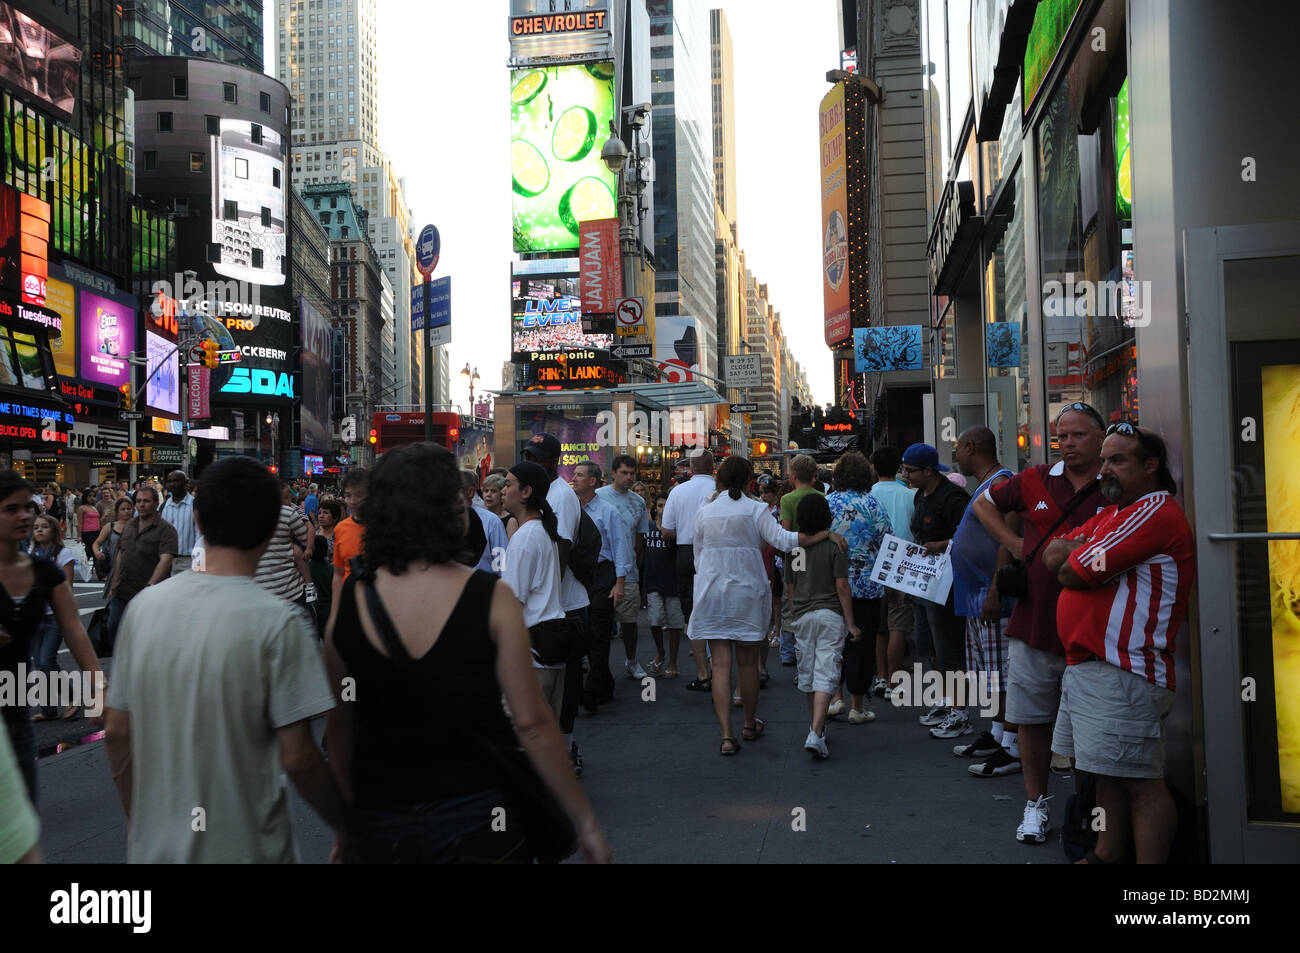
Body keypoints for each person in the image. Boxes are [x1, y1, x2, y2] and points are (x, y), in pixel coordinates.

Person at [321, 447, 609, 864]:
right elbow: (531, 723)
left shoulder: (352, 604)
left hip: (384, 820)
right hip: (478, 816)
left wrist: (346, 828)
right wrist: (586, 824)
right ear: (451, 511)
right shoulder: (491, 599)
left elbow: (340, 730)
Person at [105, 457, 345, 863]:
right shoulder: (278, 623)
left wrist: (136, 818)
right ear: (272, 528)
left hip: (155, 850)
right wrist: (349, 826)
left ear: (197, 519)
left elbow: (116, 731)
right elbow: (300, 757)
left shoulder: (144, 608)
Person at [1044, 425, 1195, 864]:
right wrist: (1078, 548)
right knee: (1104, 775)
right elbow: (1054, 553)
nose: (1105, 469)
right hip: (1093, 670)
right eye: (1105, 460)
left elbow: (1071, 571)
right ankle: (1105, 854)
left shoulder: (1154, 512)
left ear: (1150, 467)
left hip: (1125, 671)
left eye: (1119, 460)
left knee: (1141, 782)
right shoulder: (1116, 513)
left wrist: (1077, 550)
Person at [971, 402, 1108, 845]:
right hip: (1033, 624)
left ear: (1101, 437)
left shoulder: (1116, 486)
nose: (1068, 443)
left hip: (1098, 631)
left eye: (1078, 435)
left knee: (1094, 726)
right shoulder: (1033, 479)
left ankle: (1093, 814)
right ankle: (1036, 803)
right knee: (1031, 720)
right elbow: (984, 505)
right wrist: (1011, 541)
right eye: (1062, 436)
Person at [687, 455, 843, 755]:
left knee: (720, 665)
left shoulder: (704, 512)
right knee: (748, 663)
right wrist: (824, 534)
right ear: (749, 482)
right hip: (746, 591)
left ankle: (726, 735)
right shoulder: (756, 509)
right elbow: (785, 541)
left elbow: (698, 555)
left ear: (719, 479)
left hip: (712, 590)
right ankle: (748, 723)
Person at [0, 471, 104, 806]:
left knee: (24, 814)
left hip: (15, 713)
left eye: (27, 508)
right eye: (10, 509)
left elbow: (74, 629)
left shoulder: (43, 570)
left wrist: (98, 691)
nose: (24, 516)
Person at [948, 427, 1021, 775]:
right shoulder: (986, 484)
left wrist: (995, 588)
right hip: (974, 596)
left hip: (990, 597)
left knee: (1002, 675)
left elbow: (1008, 538)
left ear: (971, 447)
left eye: (958, 448)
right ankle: (996, 733)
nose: (955, 455)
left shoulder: (1001, 483)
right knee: (988, 675)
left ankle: (1011, 745)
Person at [519, 433, 590, 776]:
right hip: (555, 607)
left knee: (561, 688)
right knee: (553, 687)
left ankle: (564, 750)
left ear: (552, 460)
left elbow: (561, 548)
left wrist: (552, 600)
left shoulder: (559, 495)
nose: (532, 462)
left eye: (537, 457)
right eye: (528, 456)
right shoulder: (550, 494)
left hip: (563, 606)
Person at [902, 443, 971, 734]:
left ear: (928, 471)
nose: (905, 476)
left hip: (947, 585)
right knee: (927, 645)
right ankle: (945, 701)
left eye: (910, 471)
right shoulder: (921, 495)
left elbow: (969, 535)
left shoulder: (953, 497)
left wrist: (941, 545)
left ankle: (960, 712)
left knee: (949, 648)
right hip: (923, 584)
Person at [787, 493, 860, 759]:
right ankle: (816, 732)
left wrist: (795, 613)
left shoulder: (795, 550)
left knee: (808, 674)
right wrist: (850, 623)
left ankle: (816, 728)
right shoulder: (835, 547)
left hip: (803, 616)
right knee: (827, 670)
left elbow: (792, 587)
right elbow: (842, 586)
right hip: (830, 614)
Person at [499, 462, 570, 723]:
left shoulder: (526, 536)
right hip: (549, 651)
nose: (502, 490)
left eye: (508, 485)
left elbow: (513, 602)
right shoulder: (540, 531)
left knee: (523, 733)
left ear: (526, 491)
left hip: (532, 656)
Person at [825, 452, 892, 724]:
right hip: (867, 586)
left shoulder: (827, 503)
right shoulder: (873, 504)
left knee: (834, 643)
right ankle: (857, 706)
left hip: (832, 584)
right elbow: (888, 541)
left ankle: (835, 698)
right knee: (861, 645)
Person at [573, 461, 635, 706]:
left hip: (603, 575)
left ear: (592, 481)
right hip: (579, 576)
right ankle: (604, 684)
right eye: (574, 475)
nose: (574, 479)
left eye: (579, 475)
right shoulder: (571, 509)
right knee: (584, 632)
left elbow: (621, 547)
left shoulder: (607, 511)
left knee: (599, 632)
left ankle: (591, 693)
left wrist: (620, 583)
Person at [660, 449, 716, 692]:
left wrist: (685, 528)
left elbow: (666, 530)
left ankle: (704, 672)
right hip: (715, 552)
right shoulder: (720, 491)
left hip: (685, 552)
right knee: (715, 611)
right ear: (713, 467)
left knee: (692, 615)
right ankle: (719, 665)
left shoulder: (679, 491)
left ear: (690, 467)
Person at [104, 485, 179, 656]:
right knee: (113, 629)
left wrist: (149, 587)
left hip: (148, 595)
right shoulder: (129, 525)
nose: (141, 505)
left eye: (146, 501)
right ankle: (121, 667)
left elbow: (166, 560)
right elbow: (121, 554)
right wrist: (114, 584)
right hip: (122, 591)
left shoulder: (166, 529)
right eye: (138, 501)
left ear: (155, 504)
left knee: (145, 638)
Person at [869, 447, 917, 701]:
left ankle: (880, 676)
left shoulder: (868, 496)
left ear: (874, 467)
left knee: (880, 626)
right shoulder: (910, 496)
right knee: (898, 624)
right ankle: (892, 679)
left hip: (874, 566)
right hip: (904, 565)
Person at [595, 454, 649, 675]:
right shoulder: (598, 497)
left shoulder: (639, 502)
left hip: (628, 571)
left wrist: (632, 562)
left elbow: (639, 539)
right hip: (600, 569)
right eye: (624, 473)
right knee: (599, 623)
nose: (628, 477)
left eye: (632, 473)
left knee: (629, 621)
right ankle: (599, 665)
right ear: (613, 473)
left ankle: (632, 660)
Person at [27, 514, 80, 721]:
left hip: (55, 615)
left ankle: (71, 698)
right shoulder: (31, 554)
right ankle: (48, 709)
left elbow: (67, 586)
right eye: (36, 527)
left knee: (47, 661)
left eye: (44, 527)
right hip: (36, 615)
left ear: (54, 530)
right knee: (39, 664)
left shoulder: (63, 554)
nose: (39, 530)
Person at [254, 482, 314, 614]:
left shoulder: (244, 515)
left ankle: (310, 585)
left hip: (260, 594)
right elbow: (307, 536)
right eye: (285, 498)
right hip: (291, 592)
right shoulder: (288, 512)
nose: (288, 501)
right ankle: (310, 586)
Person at [643, 494, 684, 679]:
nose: (662, 509)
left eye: (666, 506)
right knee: (654, 620)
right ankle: (660, 652)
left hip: (673, 581)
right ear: (655, 508)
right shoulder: (649, 528)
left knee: (675, 624)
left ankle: (673, 662)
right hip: (652, 581)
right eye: (660, 505)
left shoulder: (677, 531)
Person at [331, 467, 368, 604]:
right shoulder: (340, 529)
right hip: (349, 602)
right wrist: (335, 614)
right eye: (348, 495)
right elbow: (338, 574)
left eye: (359, 495)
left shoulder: (385, 526)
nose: (353, 501)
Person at [460, 469, 508, 574]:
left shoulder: (491, 521)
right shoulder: (445, 520)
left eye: (456, 490)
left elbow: (501, 563)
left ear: (470, 492)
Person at [160, 471, 197, 575]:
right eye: (169, 481)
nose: (172, 484)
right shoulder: (164, 507)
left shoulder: (195, 505)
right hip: (166, 561)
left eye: (176, 481)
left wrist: (199, 565)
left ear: (186, 483)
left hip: (188, 562)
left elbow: (200, 536)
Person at [75, 489, 101, 563]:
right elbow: (79, 523)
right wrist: (79, 536)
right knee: (93, 549)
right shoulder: (81, 508)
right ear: (85, 497)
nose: (92, 498)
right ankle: (99, 570)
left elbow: (98, 520)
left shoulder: (94, 507)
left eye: (93, 496)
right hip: (87, 532)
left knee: (90, 550)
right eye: (90, 496)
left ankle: (83, 564)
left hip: (97, 531)